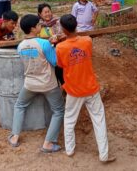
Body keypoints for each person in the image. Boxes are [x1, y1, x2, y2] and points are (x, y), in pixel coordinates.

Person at [56, 14, 115, 163]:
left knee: (69, 120)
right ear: (76, 25)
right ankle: (104, 155)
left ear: (63, 29)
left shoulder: (60, 47)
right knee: (99, 120)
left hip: (73, 91)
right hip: (91, 89)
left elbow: (61, 65)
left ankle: (70, 150)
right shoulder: (87, 41)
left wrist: (60, 39)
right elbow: (82, 41)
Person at [7, 14, 65, 153]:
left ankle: (14, 137)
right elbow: (55, 62)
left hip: (30, 84)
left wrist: (49, 45)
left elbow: (34, 54)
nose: (41, 26)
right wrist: (53, 46)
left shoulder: (20, 46)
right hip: (48, 84)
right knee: (58, 111)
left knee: (20, 105)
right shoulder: (43, 43)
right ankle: (48, 143)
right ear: (33, 28)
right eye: (39, 25)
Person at [37, 3, 65, 85]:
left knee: (60, 72)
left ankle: (65, 90)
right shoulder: (38, 25)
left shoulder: (57, 22)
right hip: (44, 53)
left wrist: (57, 38)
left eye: (49, 11)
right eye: (45, 12)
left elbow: (63, 34)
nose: (48, 14)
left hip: (57, 51)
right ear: (40, 14)